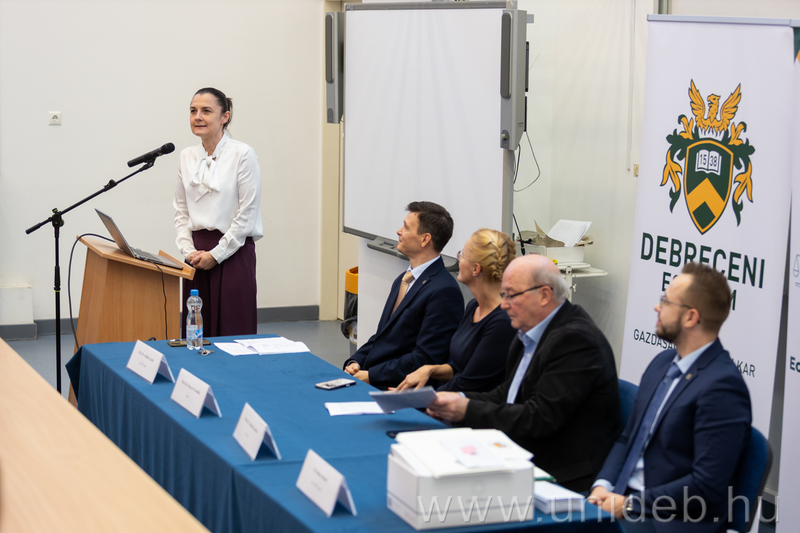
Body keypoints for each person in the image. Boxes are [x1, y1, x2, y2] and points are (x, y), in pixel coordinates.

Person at [426, 254, 621, 492]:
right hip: (525, 451)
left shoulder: (576, 341)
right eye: (504, 294)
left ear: (544, 295)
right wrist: (461, 399)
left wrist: (467, 409)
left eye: (511, 295)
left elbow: (540, 418)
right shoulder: (528, 331)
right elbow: (508, 393)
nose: (504, 304)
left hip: (561, 473)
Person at [588, 262, 751, 533]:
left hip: (670, 520)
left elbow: (705, 486)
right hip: (626, 500)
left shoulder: (723, 388)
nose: (657, 307)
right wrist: (602, 486)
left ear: (690, 318)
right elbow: (628, 438)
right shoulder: (663, 363)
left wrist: (630, 504)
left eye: (665, 301)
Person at [343, 201, 464, 390]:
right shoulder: (403, 279)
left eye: (406, 227)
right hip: (376, 376)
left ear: (425, 239)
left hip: (399, 388)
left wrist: (371, 376)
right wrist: (355, 361)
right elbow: (382, 336)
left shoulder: (444, 291)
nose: (399, 231)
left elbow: (426, 358)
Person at [174, 87, 263, 337]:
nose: (198, 117)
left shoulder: (242, 154)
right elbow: (181, 210)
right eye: (193, 111)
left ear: (225, 116)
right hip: (196, 255)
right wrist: (188, 250)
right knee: (197, 333)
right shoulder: (186, 156)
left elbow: (247, 213)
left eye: (206, 111)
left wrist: (216, 254)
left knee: (232, 331)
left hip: (233, 252)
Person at [393, 228, 516, 393]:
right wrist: (430, 369)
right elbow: (461, 368)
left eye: (462, 255)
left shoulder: (502, 322)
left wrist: (420, 398)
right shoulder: (474, 306)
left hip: (473, 405)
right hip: (453, 397)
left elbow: (469, 382)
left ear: (475, 269)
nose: (459, 259)